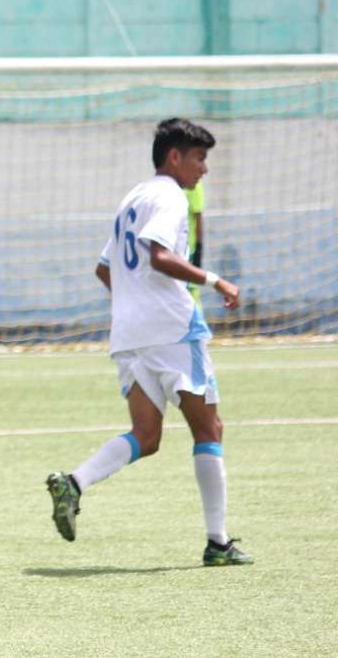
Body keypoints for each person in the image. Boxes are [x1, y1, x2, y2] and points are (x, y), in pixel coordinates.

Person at [46, 118, 251, 566]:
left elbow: (105, 269)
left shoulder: (132, 198)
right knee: (208, 429)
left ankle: (74, 483)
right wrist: (216, 281)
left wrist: (136, 304)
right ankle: (218, 544)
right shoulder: (170, 196)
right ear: (174, 157)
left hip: (129, 333)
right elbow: (159, 257)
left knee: (148, 435)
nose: (204, 169)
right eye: (199, 158)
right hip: (172, 329)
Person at [185, 180, 205, 307]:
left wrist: (198, 249)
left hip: (189, 254)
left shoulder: (194, 184)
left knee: (192, 299)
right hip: (173, 254)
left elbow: (198, 218)